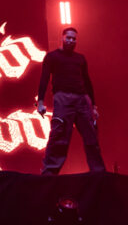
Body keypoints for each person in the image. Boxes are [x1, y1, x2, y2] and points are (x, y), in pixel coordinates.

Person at [36, 27, 106, 175]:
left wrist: (94, 106)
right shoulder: (52, 57)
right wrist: (40, 102)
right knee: (59, 136)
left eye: (74, 39)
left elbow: (87, 82)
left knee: (91, 136)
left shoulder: (80, 59)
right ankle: (49, 173)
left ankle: (98, 172)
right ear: (62, 38)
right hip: (63, 98)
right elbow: (44, 79)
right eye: (68, 37)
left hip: (81, 99)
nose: (71, 40)